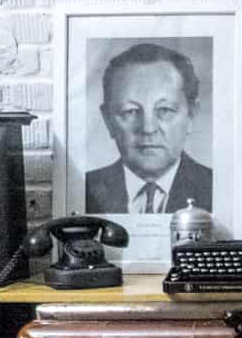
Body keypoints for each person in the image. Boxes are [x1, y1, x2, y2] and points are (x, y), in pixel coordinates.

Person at [84, 42, 212, 215]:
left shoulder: (216, 189)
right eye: (131, 111)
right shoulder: (85, 191)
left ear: (191, 115)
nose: (148, 128)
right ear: (107, 120)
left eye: (164, 110)